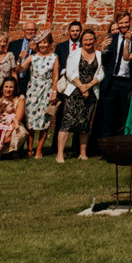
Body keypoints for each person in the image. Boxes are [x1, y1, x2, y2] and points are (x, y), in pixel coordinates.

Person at [53, 26, 102, 163]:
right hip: (74, 91)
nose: (88, 42)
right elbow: (70, 73)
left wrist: (89, 86)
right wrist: (81, 87)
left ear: (95, 40)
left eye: (91, 39)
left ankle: (83, 153)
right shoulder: (74, 53)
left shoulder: (98, 54)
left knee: (85, 124)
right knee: (67, 122)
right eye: (86, 40)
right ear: (82, 41)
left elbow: (101, 73)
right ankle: (60, 154)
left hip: (91, 92)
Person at [96, 18, 132, 146]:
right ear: (117, 24)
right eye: (121, 23)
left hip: (126, 82)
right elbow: (106, 61)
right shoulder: (112, 38)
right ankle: (106, 147)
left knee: (123, 116)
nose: (124, 25)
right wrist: (104, 50)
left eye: (126, 22)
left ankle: (122, 146)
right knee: (107, 117)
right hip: (112, 81)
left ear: (130, 23)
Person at [21, 34, 58, 157]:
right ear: (37, 44)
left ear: (49, 44)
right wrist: (19, 59)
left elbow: (55, 76)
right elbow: (20, 69)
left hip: (46, 91)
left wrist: (54, 93)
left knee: (44, 122)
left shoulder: (54, 57)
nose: (43, 45)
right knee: (30, 122)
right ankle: (29, 149)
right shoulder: (32, 57)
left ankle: (39, 150)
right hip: (33, 91)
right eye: (40, 43)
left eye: (45, 42)